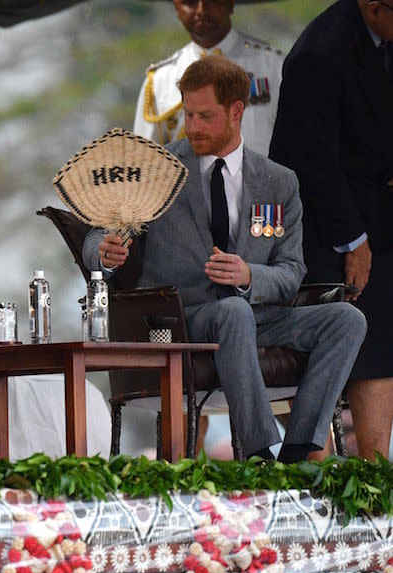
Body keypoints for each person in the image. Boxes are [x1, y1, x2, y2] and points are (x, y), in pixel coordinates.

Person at [84, 55, 366, 462]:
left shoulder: (278, 182)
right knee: (233, 312)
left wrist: (251, 274)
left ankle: (300, 447)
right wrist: (105, 255)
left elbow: (291, 272)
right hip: (183, 318)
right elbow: (95, 237)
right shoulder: (155, 170)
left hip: (260, 315)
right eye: (188, 114)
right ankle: (258, 453)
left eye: (205, 116)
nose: (193, 126)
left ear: (237, 111)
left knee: (347, 319)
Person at [269, 0, 393, 460]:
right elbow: (308, 162)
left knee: (380, 345)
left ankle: (377, 470)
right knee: (323, 354)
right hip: (324, 232)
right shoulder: (318, 53)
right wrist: (353, 239)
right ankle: (314, 476)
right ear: (374, 6)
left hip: (379, 223)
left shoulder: (385, 38)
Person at [134, 0, 283, 156]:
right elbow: (143, 161)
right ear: (176, 7)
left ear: (230, 3)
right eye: (189, 2)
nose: (201, 9)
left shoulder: (274, 66)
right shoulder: (160, 80)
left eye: (211, 0)